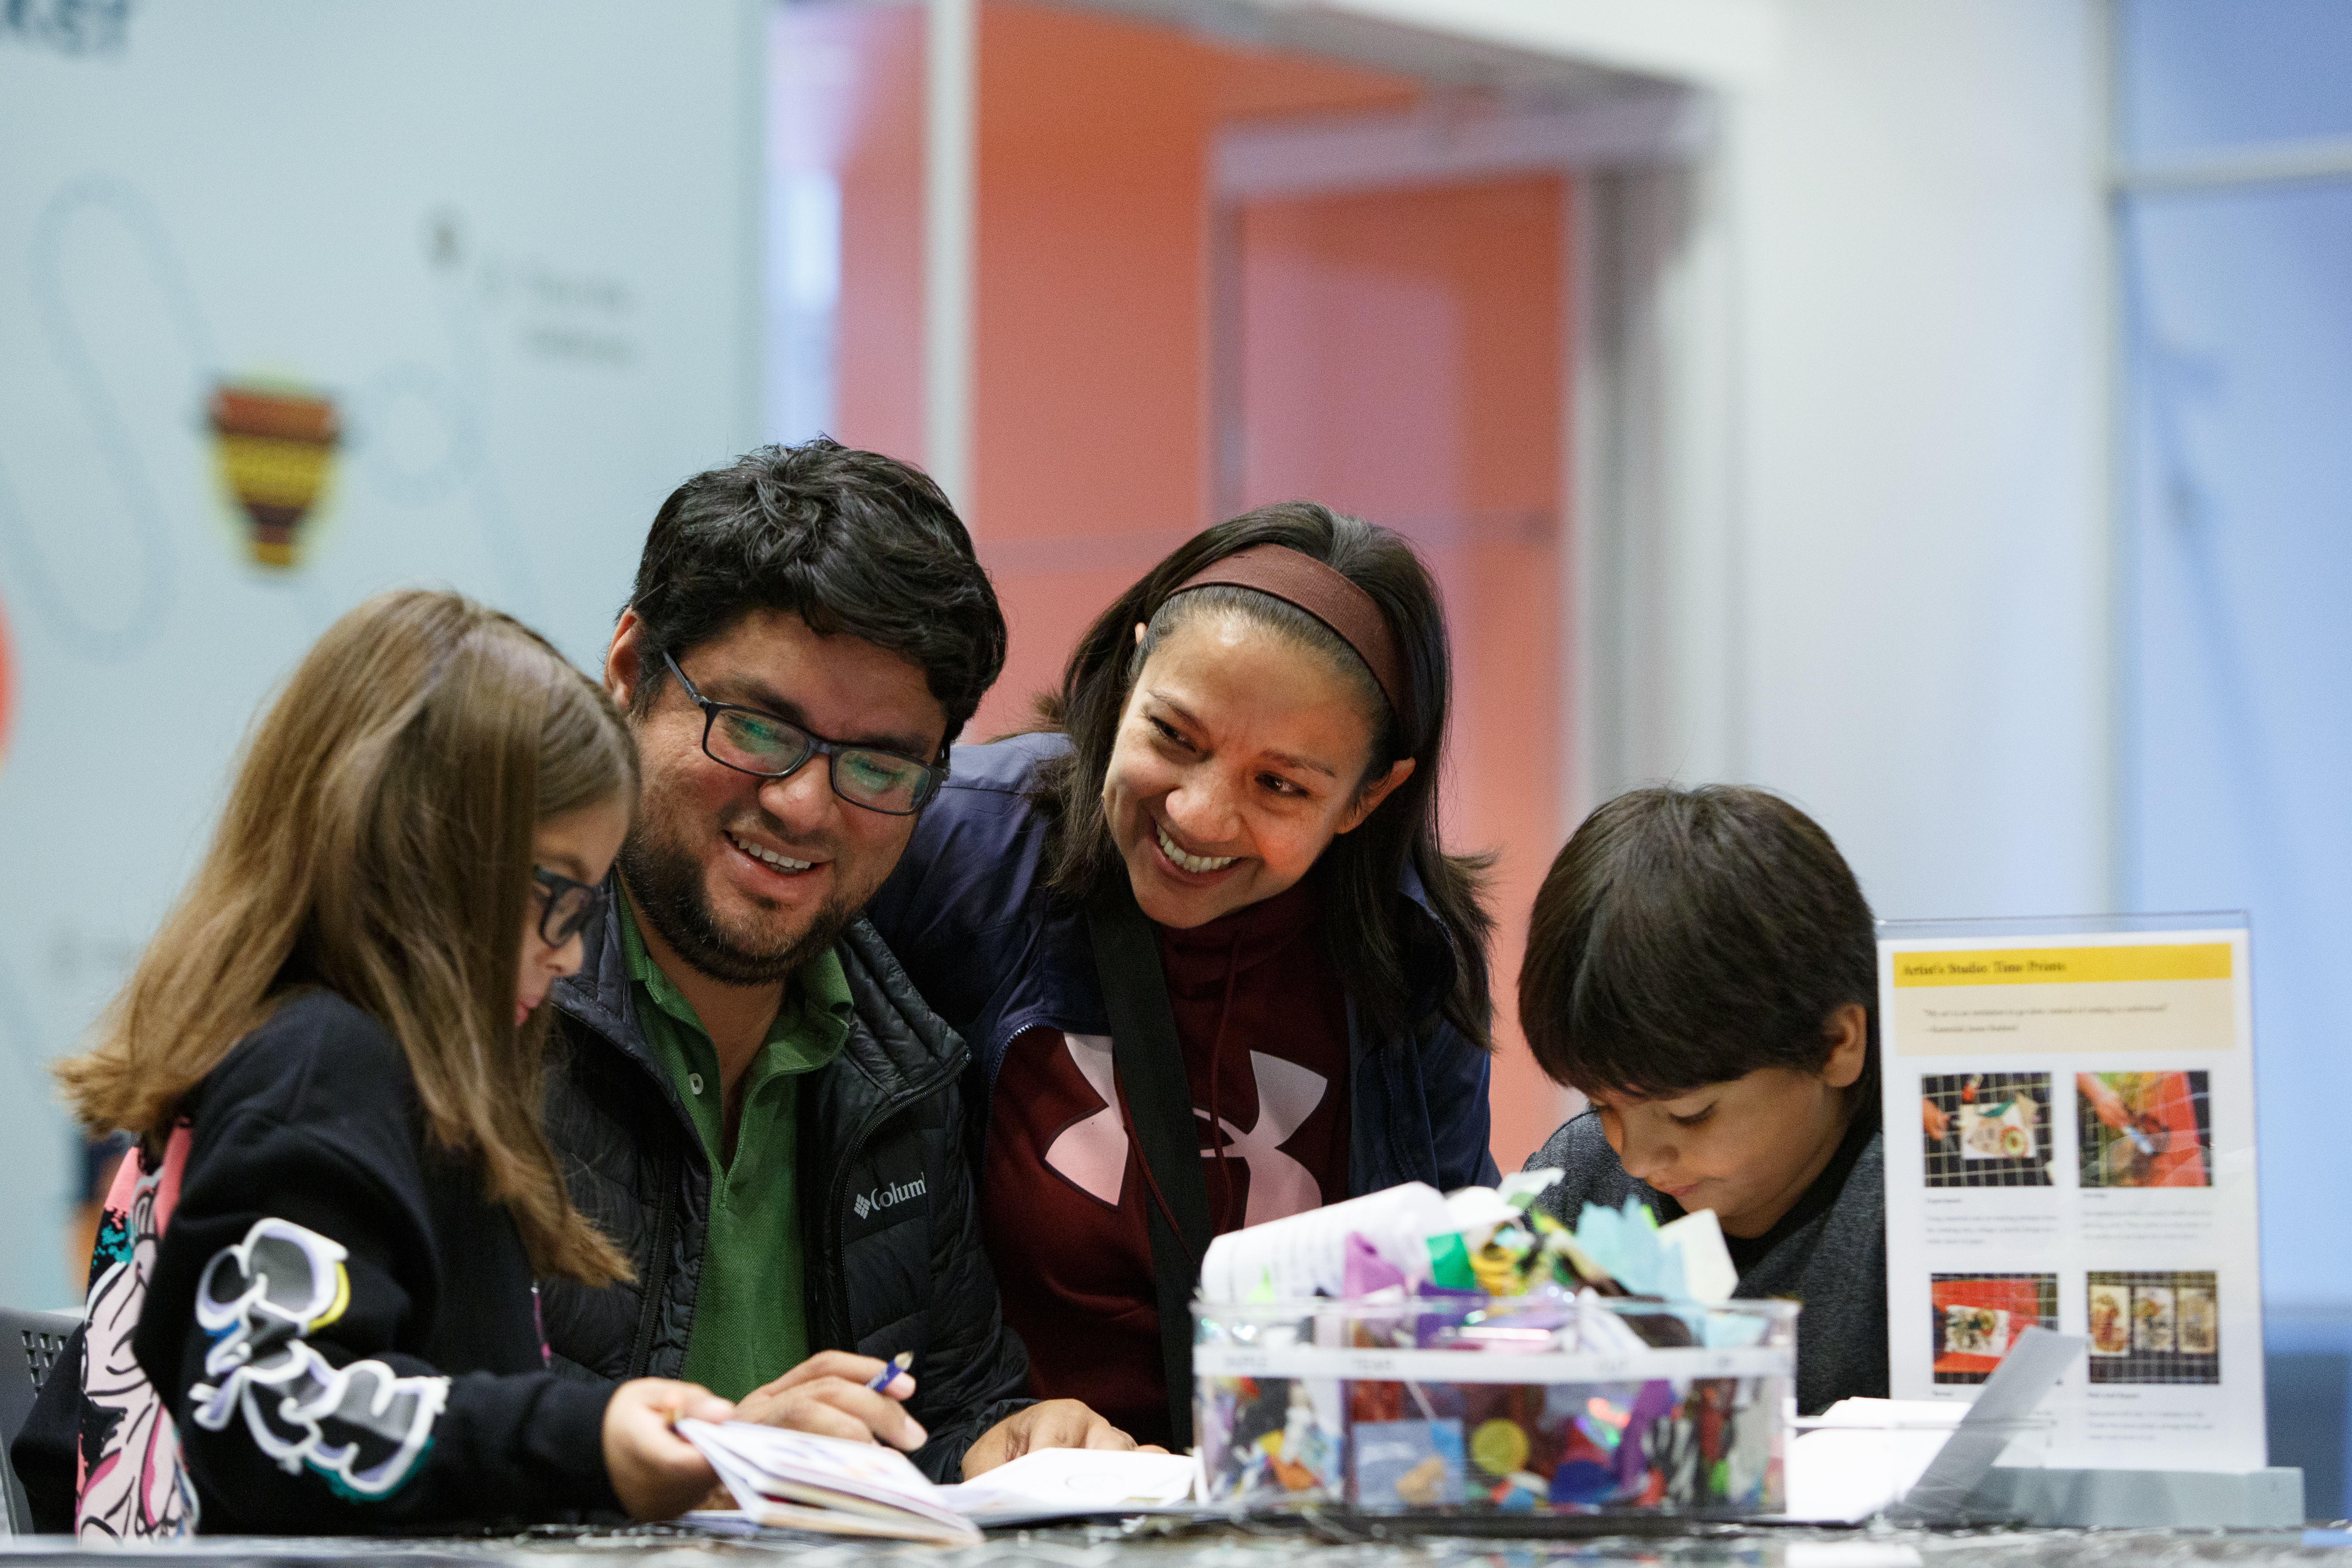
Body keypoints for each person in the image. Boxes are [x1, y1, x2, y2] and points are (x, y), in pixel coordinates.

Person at [15, 589, 730, 1536]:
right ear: (418, 848)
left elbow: (417, 1401)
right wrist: (581, 1438)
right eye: (555, 894)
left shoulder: (326, 1060)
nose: (568, 953)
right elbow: (268, 1408)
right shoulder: (323, 1069)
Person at [538, 440, 1137, 1479]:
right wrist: (720, 1463)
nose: (804, 805)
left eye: (876, 765)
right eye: (758, 729)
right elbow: (380, 1436)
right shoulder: (468, 1007)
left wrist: (1004, 1446)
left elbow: (941, 1408)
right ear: (631, 671)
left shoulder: (901, 1063)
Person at [864, 501, 1500, 1450]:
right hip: (993, 1492)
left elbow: (1440, 1285)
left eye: (1280, 786)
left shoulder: (1407, 960)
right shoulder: (956, 856)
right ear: (1128, 680)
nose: (1199, 818)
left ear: (1369, 796)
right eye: (1173, 737)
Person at [1517, 784, 1888, 1415]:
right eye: (1603, 1106)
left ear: (1836, 1043)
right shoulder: (1581, 1185)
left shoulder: (1924, 1202)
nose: (1637, 1159)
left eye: (1691, 1114)